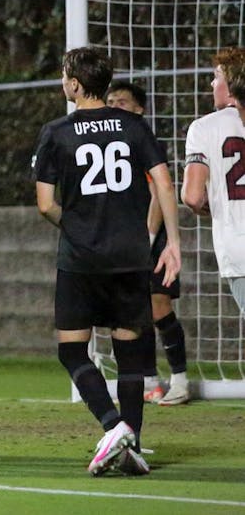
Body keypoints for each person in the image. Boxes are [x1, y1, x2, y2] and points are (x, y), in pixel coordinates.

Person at [34, 47, 181, 477]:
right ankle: (131, 442)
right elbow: (165, 184)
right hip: (132, 255)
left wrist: (75, 226)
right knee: (131, 356)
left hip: (82, 259)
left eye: (64, 76)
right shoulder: (134, 126)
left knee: (72, 351)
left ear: (75, 84)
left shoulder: (57, 131)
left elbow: (46, 205)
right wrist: (172, 242)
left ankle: (112, 426)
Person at [104, 81, 189, 405]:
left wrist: (150, 237)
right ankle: (150, 380)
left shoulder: (143, 139)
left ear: (139, 109)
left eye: (122, 101)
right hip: (124, 237)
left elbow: (158, 193)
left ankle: (180, 379)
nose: (115, 105)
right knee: (134, 308)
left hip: (152, 237)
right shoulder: (107, 142)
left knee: (158, 303)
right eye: (110, 100)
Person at [181, 48, 245, 315]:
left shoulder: (204, 127)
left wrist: (209, 205)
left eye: (216, 76)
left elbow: (192, 196)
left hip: (239, 245)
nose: (211, 83)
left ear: (231, 85)